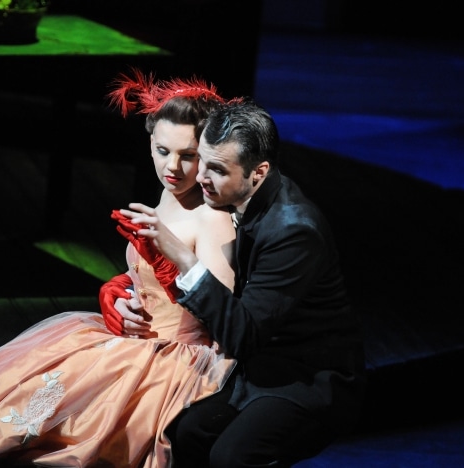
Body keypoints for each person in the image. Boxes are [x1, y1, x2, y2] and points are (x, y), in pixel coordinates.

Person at [0, 70, 238, 467]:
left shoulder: (212, 217)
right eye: (162, 150)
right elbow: (145, 282)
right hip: (134, 343)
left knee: (72, 438)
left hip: (175, 358)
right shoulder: (168, 196)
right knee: (17, 410)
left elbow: (222, 314)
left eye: (189, 156)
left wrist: (167, 267)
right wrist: (123, 297)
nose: (173, 167)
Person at [114, 99, 367, 467]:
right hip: (253, 365)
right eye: (202, 161)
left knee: (233, 456)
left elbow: (243, 334)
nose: (201, 177)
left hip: (308, 376)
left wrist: (184, 258)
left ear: (258, 172)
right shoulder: (228, 196)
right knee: (183, 432)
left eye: (217, 169)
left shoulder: (294, 231)